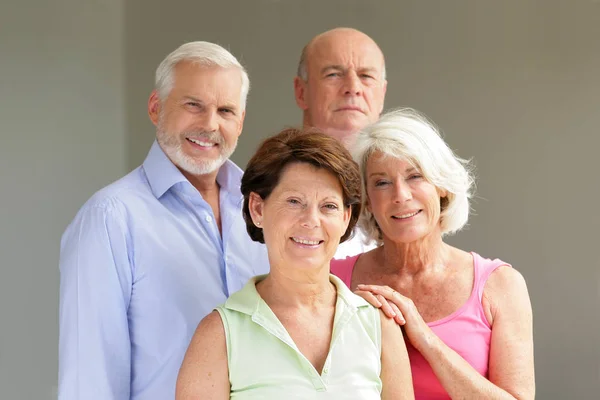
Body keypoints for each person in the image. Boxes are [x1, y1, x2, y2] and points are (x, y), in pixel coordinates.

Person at [58, 41, 269, 400]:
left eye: (226, 110)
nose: (210, 124)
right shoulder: (110, 218)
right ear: (156, 107)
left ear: (241, 121)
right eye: (193, 105)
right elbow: (89, 380)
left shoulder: (267, 211)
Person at [176, 128, 415, 399]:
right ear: (257, 209)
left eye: (328, 206)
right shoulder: (218, 335)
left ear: (346, 218)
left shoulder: (379, 324)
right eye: (294, 201)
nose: (311, 220)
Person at [331, 109, 535, 399]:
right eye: (382, 182)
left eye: (415, 176)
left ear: (441, 186)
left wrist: (424, 338)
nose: (400, 195)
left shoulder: (501, 285)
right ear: (366, 198)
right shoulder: (332, 279)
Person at [294, 27, 387, 258]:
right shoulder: (272, 185)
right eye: (333, 74)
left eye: (366, 76)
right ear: (301, 92)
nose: (352, 88)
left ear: (382, 94)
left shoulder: (404, 190)